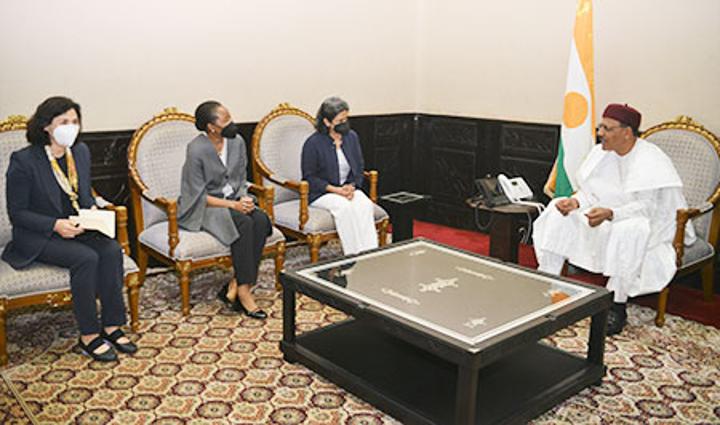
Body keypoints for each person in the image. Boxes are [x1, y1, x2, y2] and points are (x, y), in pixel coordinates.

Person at [532, 103, 695, 336]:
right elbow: (589, 192)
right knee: (556, 212)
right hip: (601, 215)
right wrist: (575, 202)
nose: (600, 133)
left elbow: (648, 208)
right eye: (600, 127)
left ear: (626, 132)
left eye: (607, 129)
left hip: (647, 222)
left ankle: (617, 304)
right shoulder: (601, 153)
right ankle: (549, 284)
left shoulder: (650, 158)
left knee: (629, 230)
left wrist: (611, 214)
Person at [3, 96, 137, 362]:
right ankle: (88, 335)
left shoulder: (80, 152)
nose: (71, 127)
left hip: (77, 227)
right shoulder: (24, 160)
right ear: (46, 126)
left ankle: (112, 325)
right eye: (63, 122)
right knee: (85, 258)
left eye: (75, 121)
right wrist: (55, 225)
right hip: (39, 234)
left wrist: (93, 212)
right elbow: (17, 214)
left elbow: (82, 194)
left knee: (111, 250)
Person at [178, 101, 271, 319]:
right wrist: (233, 205)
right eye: (226, 120)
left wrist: (244, 198)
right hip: (205, 206)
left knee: (260, 220)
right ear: (211, 127)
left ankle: (235, 283)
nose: (232, 123)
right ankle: (245, 292)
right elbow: (196, 195)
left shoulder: (236, 141)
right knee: (244, 223)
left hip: (235, 200)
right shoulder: (196, 149)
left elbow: (241, 177)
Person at [301, 97, 378, 255]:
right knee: (344, 208)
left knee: (364, 204)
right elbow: (309, 177)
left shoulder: (352, 137)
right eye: (340, 121)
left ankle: (370, 254)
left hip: (347, 189)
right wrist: (335, 190)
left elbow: (359, 167)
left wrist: (352, 186)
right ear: (327, 122)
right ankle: (352, 256)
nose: (345, 123)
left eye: (346, 119)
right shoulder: (313, 143)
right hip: (322, 193)